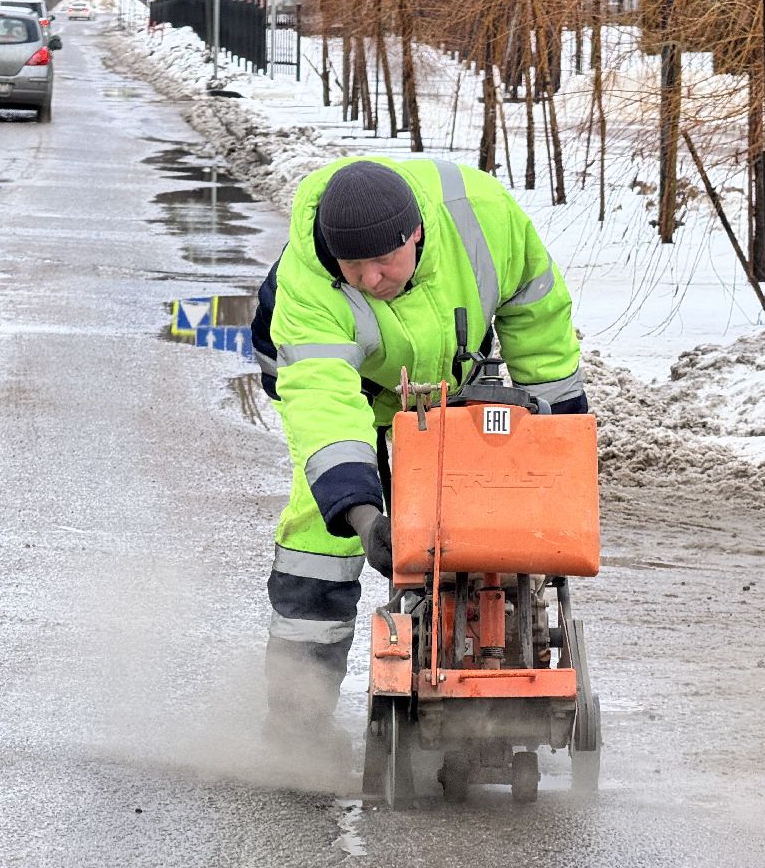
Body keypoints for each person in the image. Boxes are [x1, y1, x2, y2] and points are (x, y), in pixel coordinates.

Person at [250, 157, 587, 765]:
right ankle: (297, 725)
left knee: (487, 511)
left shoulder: (485, 219)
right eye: (355, 269)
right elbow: (323, 400)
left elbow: (537, 322)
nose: (372, 278)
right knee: (318, 541)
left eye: (386, 262)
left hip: (452, 373)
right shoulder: (309, 283)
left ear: (417, 236)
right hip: (354, 385)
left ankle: (490, 645)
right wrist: (361, 515)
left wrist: (561, 442)